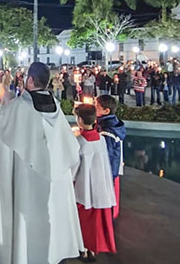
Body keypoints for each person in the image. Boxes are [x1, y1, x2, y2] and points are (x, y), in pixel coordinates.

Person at [0, 62, 84, 264]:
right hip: (55, 181)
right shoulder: (55, 106)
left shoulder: (19, 107)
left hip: (27, 181)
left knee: (25, 219)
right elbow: (71, 149)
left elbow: (0, 122)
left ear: (30, 79)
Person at [73, 104, 117, 262]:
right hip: (100, 185)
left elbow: (74, 167)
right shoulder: (101, 139)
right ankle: (92, 248)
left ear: (79, 120)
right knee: (95, 221)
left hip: (84, 186)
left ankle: (83, 248)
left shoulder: (80, 142)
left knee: (83, 219)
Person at [95, 94, 126, 220]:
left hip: (108, 173)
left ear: (106, 111)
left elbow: (107, 155)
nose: (94, 108)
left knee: (107, 200)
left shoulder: (107, 131)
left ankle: (107, 219)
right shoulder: (111, 124)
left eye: (96, 106)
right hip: (112, 172)